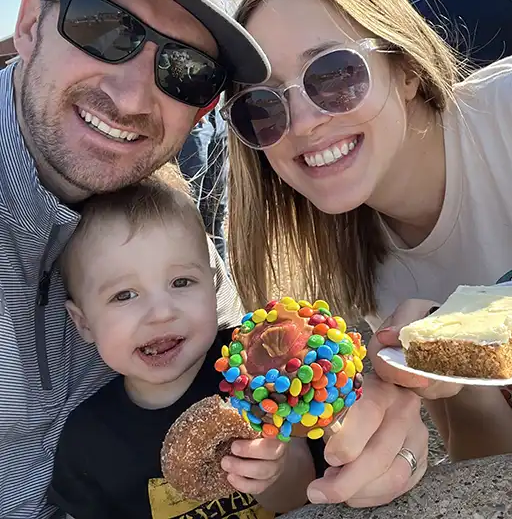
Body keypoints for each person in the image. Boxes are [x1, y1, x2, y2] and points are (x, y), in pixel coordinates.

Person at [2, 0, 427, 514]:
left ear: (204, 110)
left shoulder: (164, 217)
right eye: (101, 27)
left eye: (187, 71)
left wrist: (368, 440)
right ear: (28, 24)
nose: (129, 97)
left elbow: (250, 387)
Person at [222, 0, 512, 487]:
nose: (301, 123)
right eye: (261, 107)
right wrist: (452, 385)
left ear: (403, 69)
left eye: (331, 74)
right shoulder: (374, 278)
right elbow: (506, 474)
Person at [47, 163, 324, 518]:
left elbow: (301, 496)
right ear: (83, 323)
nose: (161, 312)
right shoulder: (87, 442)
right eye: (124, 295)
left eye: (181, 282)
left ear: (212, 285)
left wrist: (275, 471)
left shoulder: (257, 372)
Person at [178, 109, 229, 262]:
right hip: (193, 120)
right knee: (188, 215)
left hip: (220, 115)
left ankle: (223, 282)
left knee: (215, 213)